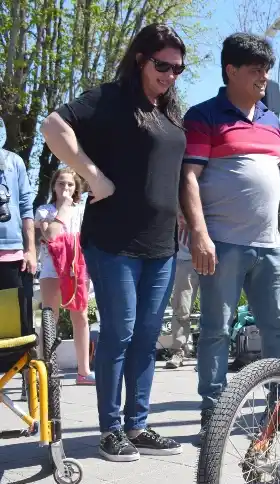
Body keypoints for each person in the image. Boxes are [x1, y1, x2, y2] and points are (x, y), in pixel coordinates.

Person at [40, 23, 187, 461]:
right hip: (114, 241)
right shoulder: (109, 98)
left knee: (146, 336)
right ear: (141, 59)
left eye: (178, 68)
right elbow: (52, 126)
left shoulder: (169, 110)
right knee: (120, 333)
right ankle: (110, 430)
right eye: (163, 65)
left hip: (161, 244)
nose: (170, 75)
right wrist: (92, 175)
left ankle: (138, 425)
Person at [180, 33, 280, 441]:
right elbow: (188, 176)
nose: (264, 76)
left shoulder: (273, 122)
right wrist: (200, 234)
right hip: (221, 244)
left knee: (279, 329)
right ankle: (213, 413)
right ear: (231, 70)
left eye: (267, 69)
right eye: (255, 69)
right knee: (216, 330)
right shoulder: (204, 116)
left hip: (270, 245)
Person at [34, 167, 94, 385]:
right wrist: (64, 209)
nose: (66, 188)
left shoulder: (82, 210)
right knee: (51, 319)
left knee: (80, 317)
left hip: (77, 270)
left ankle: (84, 371)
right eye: (61, 184)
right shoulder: (45, 211)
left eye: (70, 184)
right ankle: (46, 370)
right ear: (54, 187)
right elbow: (50, 235)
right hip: (51, 270)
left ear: (76, 187)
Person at [0, 119, 36, 334]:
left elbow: (26, 207)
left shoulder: (14, 162)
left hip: (12, 253)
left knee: (16, 322)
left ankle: (18, 364)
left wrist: (30, 249)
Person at [164, 212, 199, 369]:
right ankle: (179, 350)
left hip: (212, 257)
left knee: (213, 310)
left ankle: (208, 355)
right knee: (181, 308)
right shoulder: (177, 194)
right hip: (184, 258)